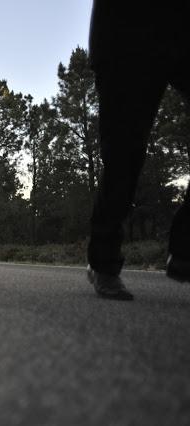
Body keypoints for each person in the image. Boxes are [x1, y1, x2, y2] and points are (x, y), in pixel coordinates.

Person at [87, 0, 190, 300]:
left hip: (181, 32)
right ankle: (103, 261)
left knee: (124, 153)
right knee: (124, 154)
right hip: (123, 34)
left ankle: (185, 245)